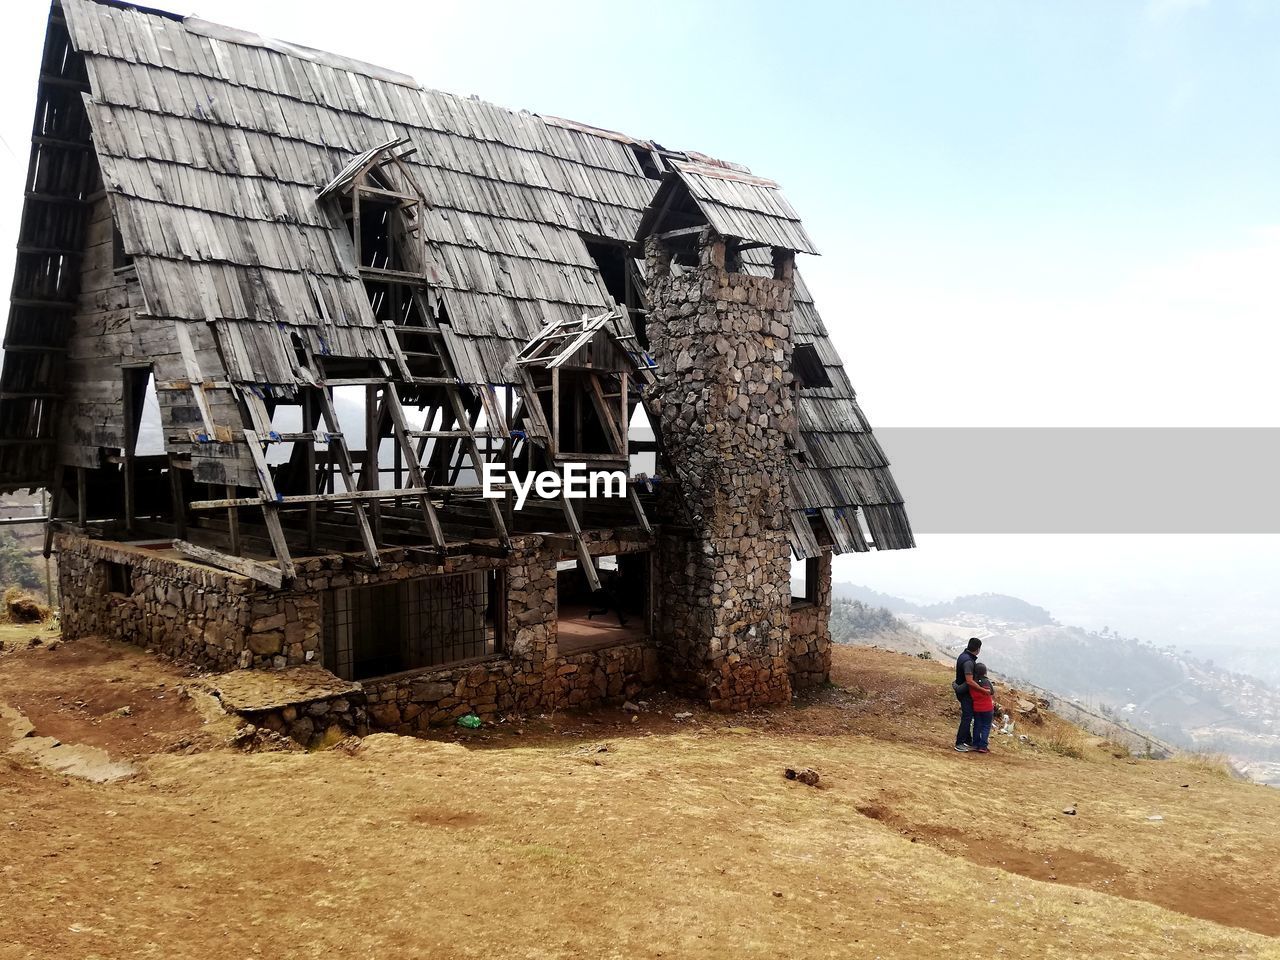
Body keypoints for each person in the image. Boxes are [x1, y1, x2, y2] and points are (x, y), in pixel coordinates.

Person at [953, 637, 982, 752]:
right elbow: (969, 681)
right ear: (978, 649)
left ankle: (967, 740)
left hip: (961, 691)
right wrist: (982, 689)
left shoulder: (963, 656)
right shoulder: (969, 662)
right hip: (965, 693)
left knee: (968, 715)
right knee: (967, 717)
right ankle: (959, 742)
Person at [966, 662, 996, 754]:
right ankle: (983, 746)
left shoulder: (972, 682)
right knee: (986, 726)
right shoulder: (987, 682)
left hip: (977, 708)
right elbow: (992, 692)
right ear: (985, 672)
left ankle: (975, 744)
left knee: (977, 726)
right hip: (987, 708)